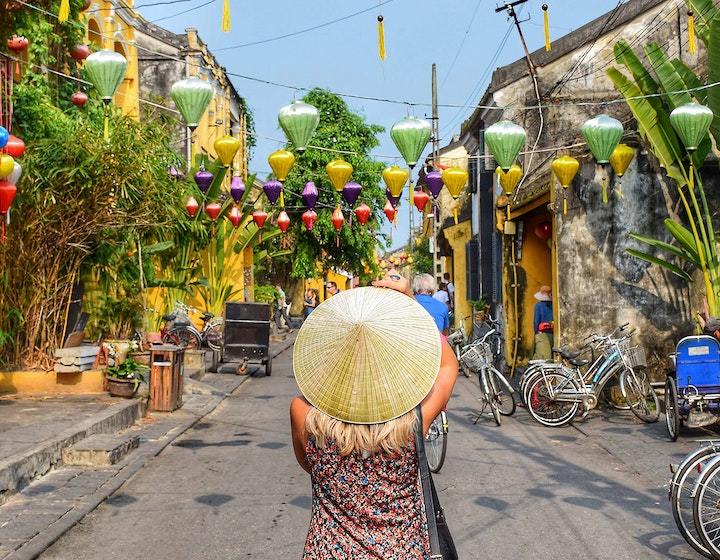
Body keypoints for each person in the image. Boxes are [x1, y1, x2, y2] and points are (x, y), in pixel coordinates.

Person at [290, 268, 458, 558]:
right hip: (403, 552)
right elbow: (447, 366)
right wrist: (408, 302)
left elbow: (308, 465)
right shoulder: (413, 421)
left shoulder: (302, 412)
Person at [532, 285, 553, 360]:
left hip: (542, 332)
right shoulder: (553, 305)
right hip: (552, 331)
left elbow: (536, 321)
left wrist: (536, 332)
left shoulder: (538, 306)